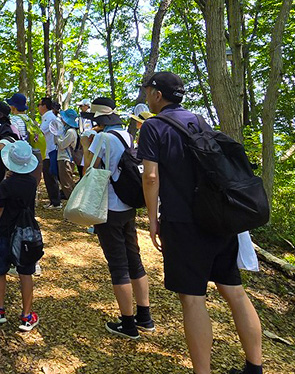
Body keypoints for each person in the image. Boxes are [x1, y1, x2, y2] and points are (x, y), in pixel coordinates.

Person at [138, 72, 263, 374]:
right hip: (220, 219)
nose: (145, 97)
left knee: (193, 299)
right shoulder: (199, 120)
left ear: (156, 94)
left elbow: (150, 176)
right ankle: (254, 367)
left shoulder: (153, 127)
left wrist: (152, 220)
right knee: (234, 290)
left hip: (184, 223)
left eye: (147, 92)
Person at [82, 97, 153, 339]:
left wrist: (85, 144)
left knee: (118, 266)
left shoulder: (101, 138)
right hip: (128, 204)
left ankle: (128, 324)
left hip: (108, 209)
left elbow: (88, 171)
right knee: (135, 260)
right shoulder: (126, 135)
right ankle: (145, 316)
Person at [0, 140, 42, 332]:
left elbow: (0, 210)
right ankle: (26, 316)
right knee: (26, 272)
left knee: (0, 269)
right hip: (26, 231)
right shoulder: (32, 183)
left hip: (6, 231)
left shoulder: (7, 184)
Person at [37, 97, 62, 209]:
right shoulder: (49, 117)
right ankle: (54, 201)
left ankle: (56, 202)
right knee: (49, 176)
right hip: (49, 151)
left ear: (44, 106)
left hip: (49, 151)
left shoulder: (49, 117)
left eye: (39, 105)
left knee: (50, 177)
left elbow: (40, 132)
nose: (38, 107)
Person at [55, 108, 81, 200]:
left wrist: (56, 137)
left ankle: (73, 202)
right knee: (67, 182)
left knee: (66, 183)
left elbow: (62, 145)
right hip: (64, 158)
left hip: (65, 159)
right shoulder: (68, 131)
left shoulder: (70, 132)